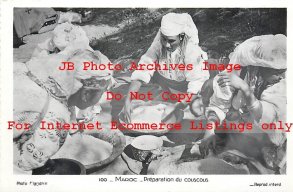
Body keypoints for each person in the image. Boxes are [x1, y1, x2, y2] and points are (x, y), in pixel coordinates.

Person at [13, 40, 113, 173]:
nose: (106, 94)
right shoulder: (55, 120)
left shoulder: (30, 74)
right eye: (104, 90)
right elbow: (23, 165)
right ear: (86, 93)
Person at [193, 34, 287, 173]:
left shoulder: (283, 82)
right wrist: (209, 131)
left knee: (271, 158)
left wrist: (244, 88)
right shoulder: (238, 70)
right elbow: (219, 102)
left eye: (284, 71)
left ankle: (272, 149)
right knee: (210, 87)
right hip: (248, 120)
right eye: (278, 71)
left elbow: (270, 116)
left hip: (272, 124)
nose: (281, 75)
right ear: (260, 66)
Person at [123, 12, 209, 122]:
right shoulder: (159, 43)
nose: (167, 44)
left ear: (182, 37)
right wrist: (128, 99)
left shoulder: (191, 50)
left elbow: (196, 84)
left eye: (171, 41)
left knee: (194, 114)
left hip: (187, 90)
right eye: (164, 39)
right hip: (167, 85)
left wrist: (178, 106)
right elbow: (144, 66)